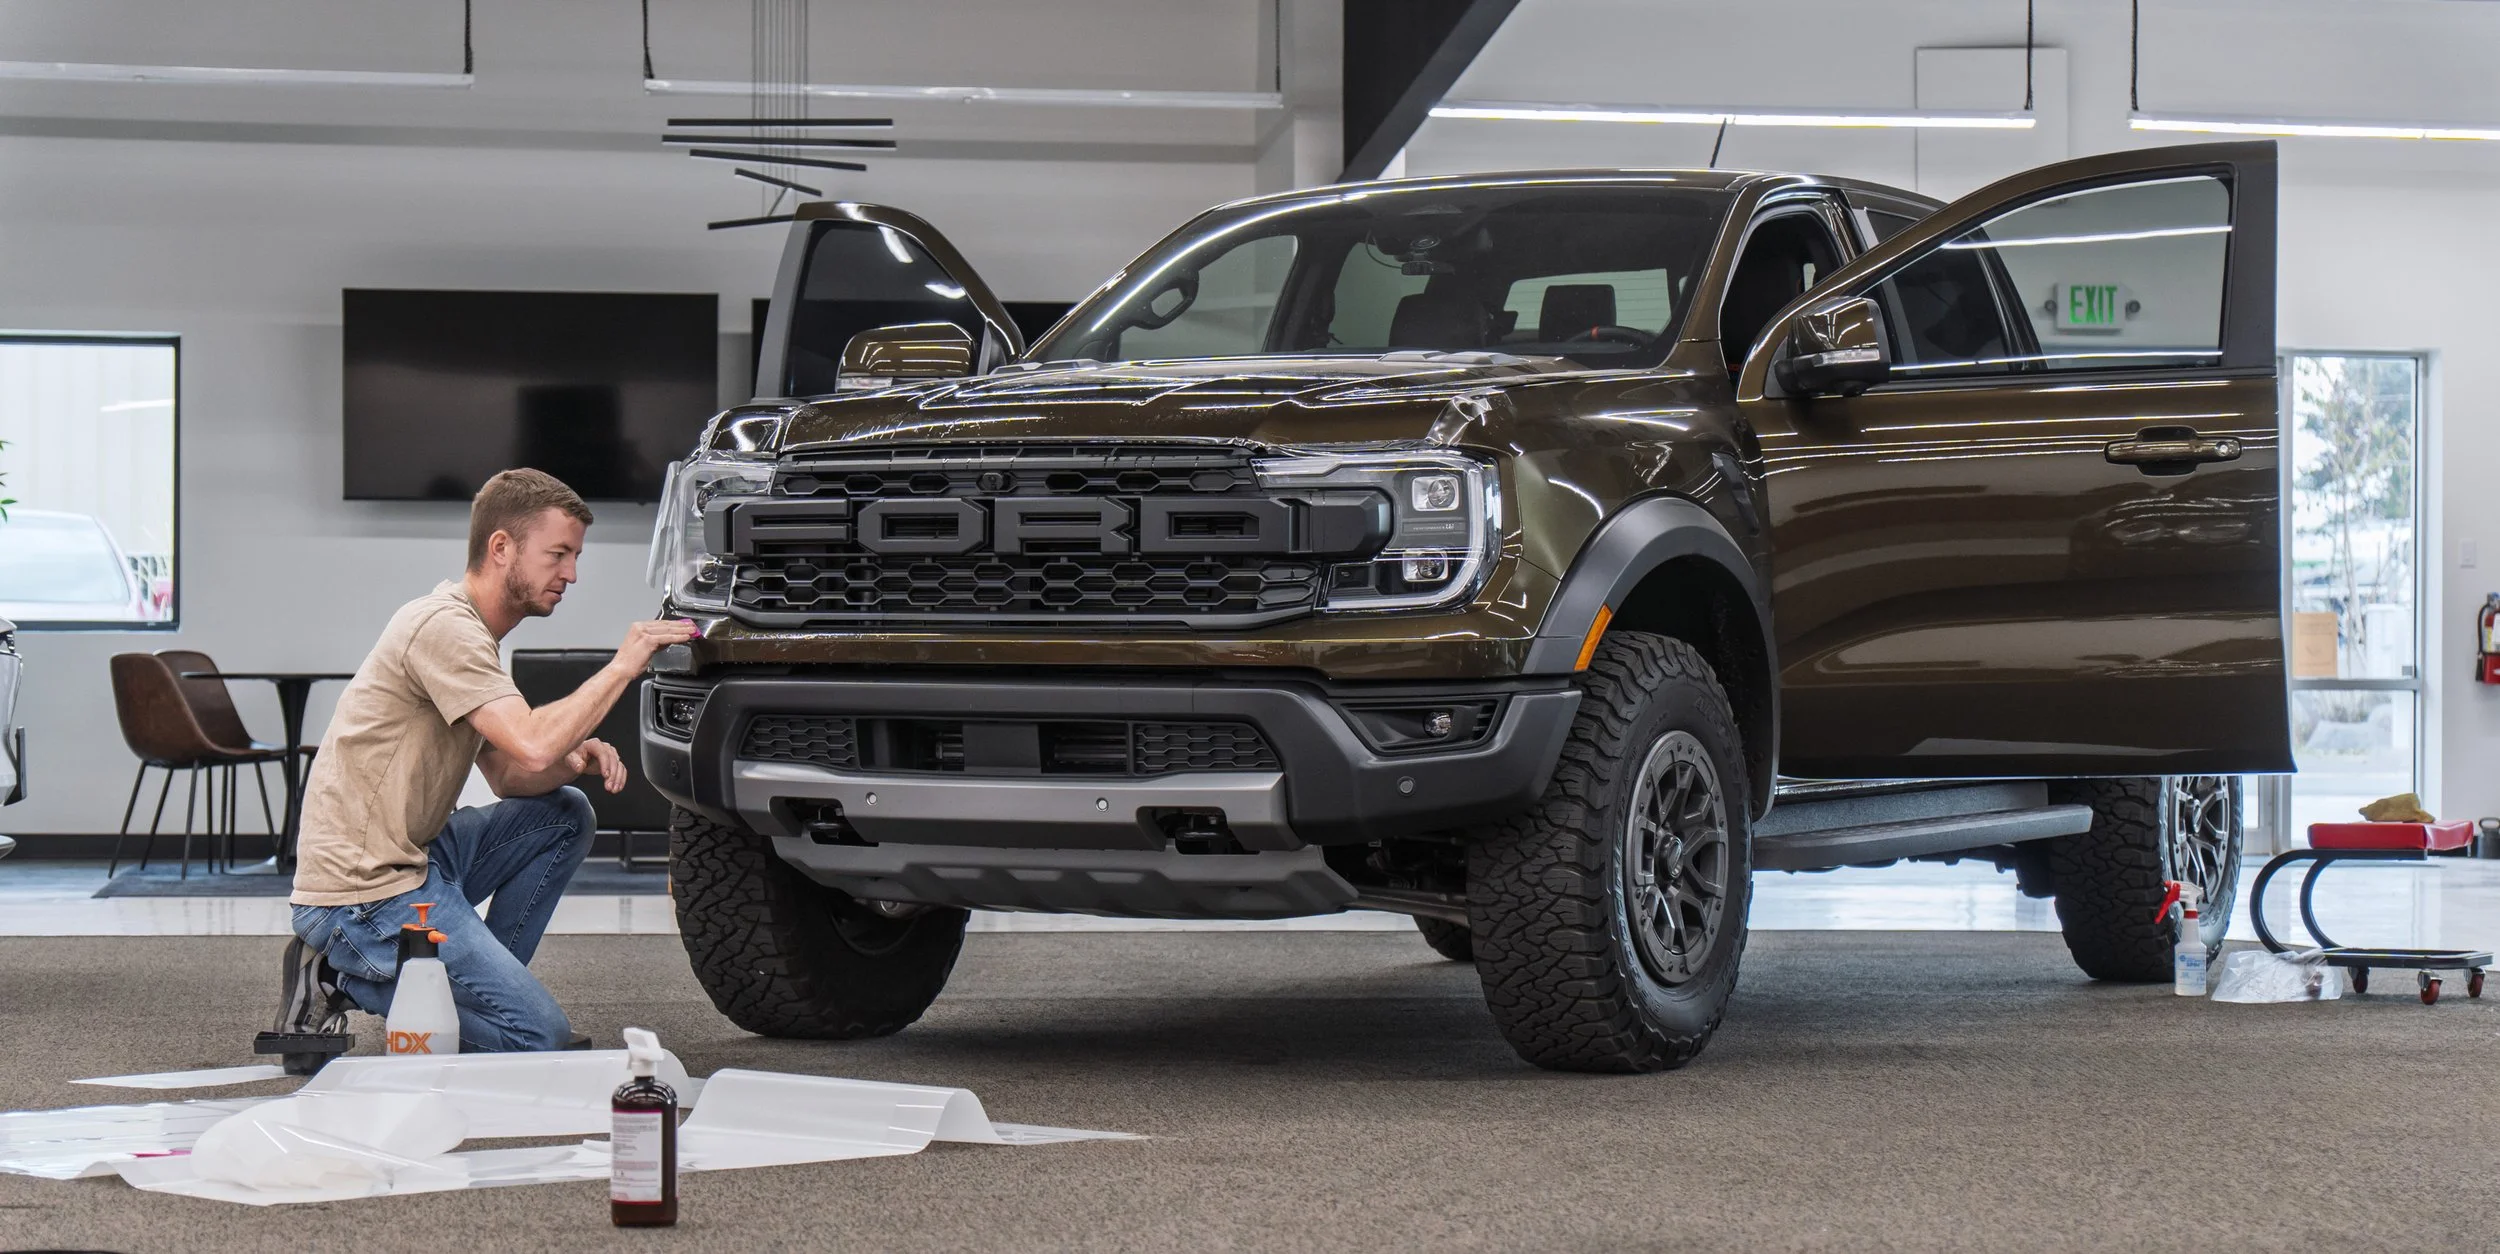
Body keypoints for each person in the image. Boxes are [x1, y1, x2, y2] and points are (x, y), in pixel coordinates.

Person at [272, 469, 698, 1051]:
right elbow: (530, 742)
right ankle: (338, 979)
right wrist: (625, 664)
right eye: (558, 554)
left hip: (416, 861)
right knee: (535, 1036)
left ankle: (483, 986)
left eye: (574, 556)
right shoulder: (444, 628)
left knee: (565, 812)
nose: (571, 573)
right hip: (363, 892)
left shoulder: (473, 636)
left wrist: (572, 762)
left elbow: (509, 775)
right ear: (501, 548)